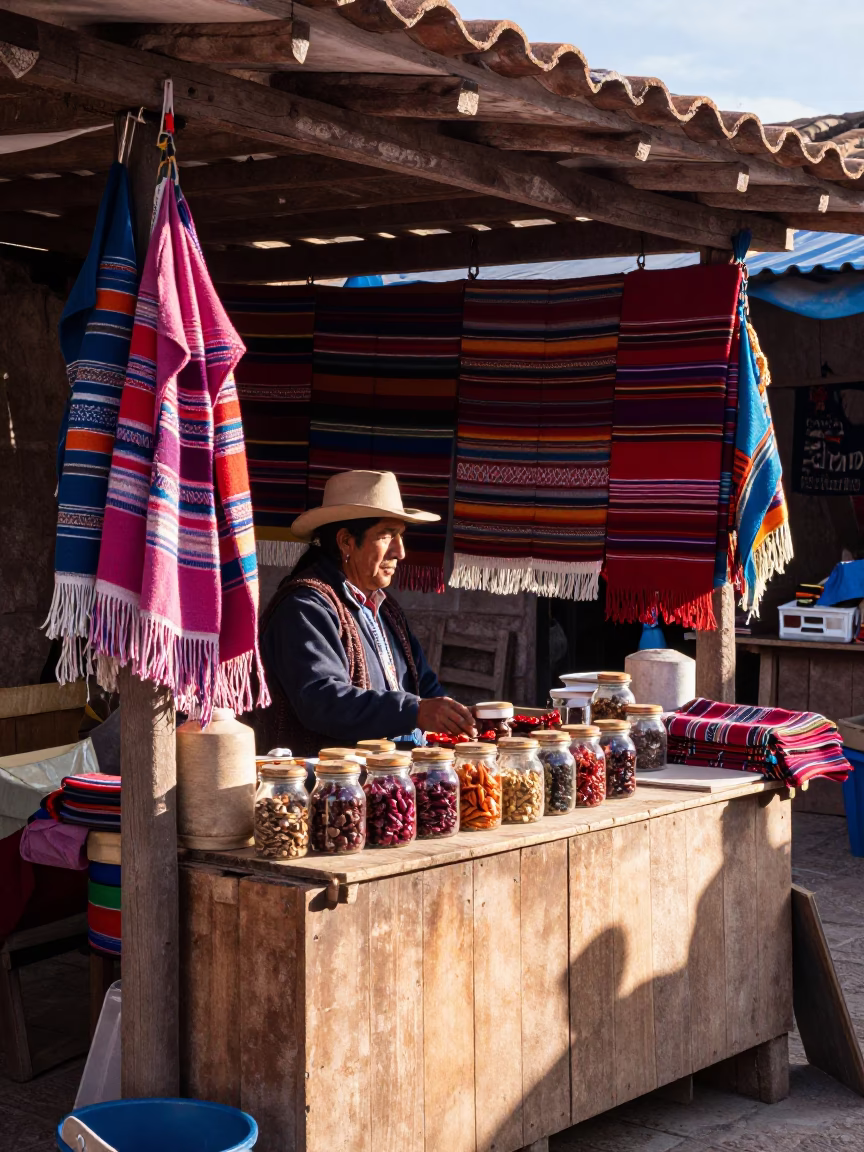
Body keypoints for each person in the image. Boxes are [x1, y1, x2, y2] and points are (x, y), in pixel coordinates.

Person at [258, 470, 477, 756]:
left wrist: (461, 718)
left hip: (389, 782)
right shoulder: (304, 607)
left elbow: (425, 688)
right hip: (328, 788)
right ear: (346, 542)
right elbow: (322, 701)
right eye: (387, 536)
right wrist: (415, 711)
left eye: (400, 536)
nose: (400, 552)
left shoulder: (387, 612)